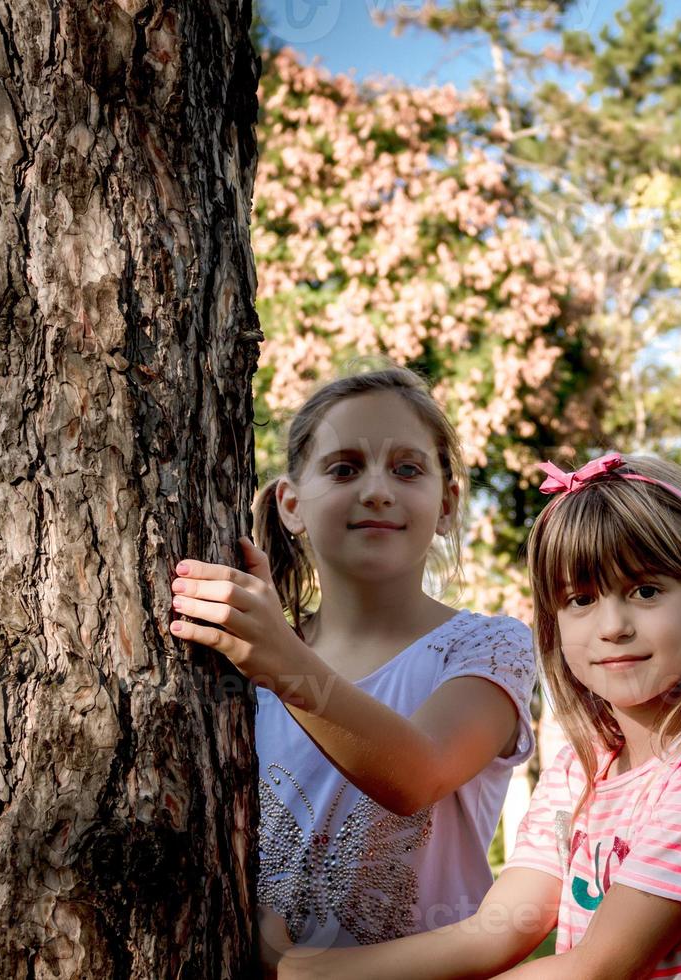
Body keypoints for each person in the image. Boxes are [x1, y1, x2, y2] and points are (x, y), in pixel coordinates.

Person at [274, 452, 681, 978]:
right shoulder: (581, 768)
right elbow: (495, 931)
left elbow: (596, 967)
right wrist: (308, 968)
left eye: (645, 590)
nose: (613, 625)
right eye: (581, 600)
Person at [169, 367, 537, 956]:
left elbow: (418, 775)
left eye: (407, 469)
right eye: (343, 468)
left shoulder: (490, 647)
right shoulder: (245, 662)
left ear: (447, 504)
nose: (376, 491)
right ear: (291, 504)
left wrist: (279, 661)